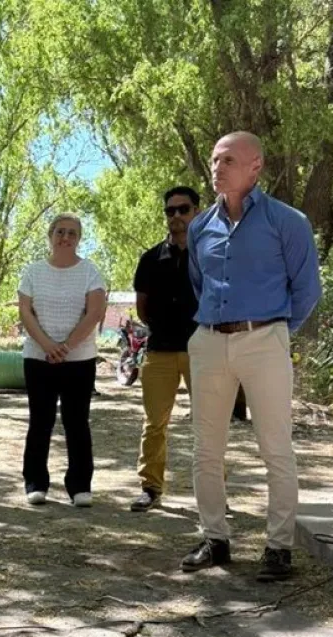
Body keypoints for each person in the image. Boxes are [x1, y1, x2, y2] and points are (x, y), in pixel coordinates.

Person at [182, 131, 321, 582]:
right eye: (213, 159)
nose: (216, 167)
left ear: (255, 166)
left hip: (265, 341)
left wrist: (273, 331)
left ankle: (278, 548)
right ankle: (215, 539)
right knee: (206, 447)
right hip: (208, 342)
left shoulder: (287, 221)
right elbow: (200, 285)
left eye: (227, 160)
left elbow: (306, 291)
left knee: (275, 448)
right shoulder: (201, 227)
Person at [17, 213, 107, 507]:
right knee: (40, 420)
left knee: (77, 421)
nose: (65, 237)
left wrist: (66, 346)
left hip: (79, 359)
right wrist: (47, 345)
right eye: (59, 232)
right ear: (50, 235)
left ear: (79, 239)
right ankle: (35, 482)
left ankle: (80, 486)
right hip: (38, 357)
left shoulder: (90, 272)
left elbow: (93, 312)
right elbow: (26, 312)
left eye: (72, 233)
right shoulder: (32, 272)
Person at [130, 186, 201, 512]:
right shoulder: (150, 259)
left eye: (183, 209)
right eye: (170, 211)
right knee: (155, 423)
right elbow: (142, 307)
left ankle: (213, 491)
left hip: (202, 349)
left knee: (207, 423)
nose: (176, 217)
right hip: (159, 351)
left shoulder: (211, 254)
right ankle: (150, 487)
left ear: (197, 211)